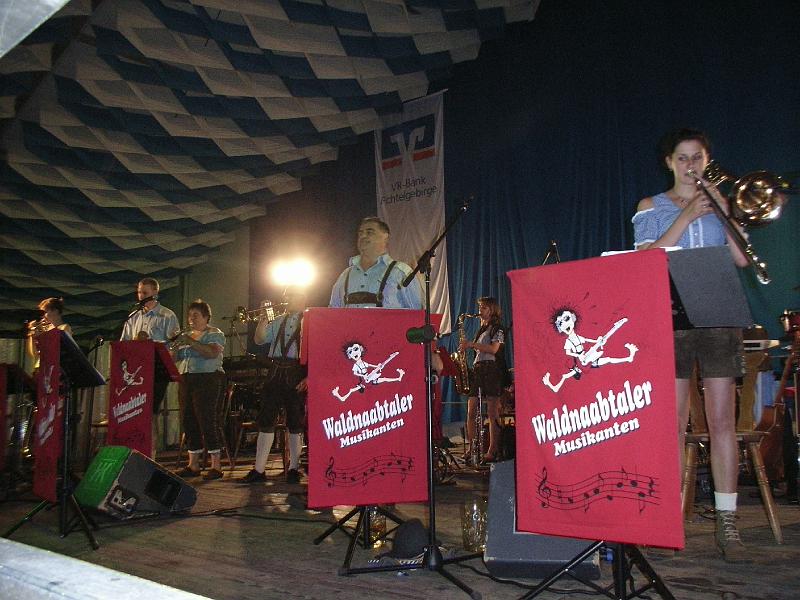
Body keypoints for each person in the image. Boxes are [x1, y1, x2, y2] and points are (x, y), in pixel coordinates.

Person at [632, 127, 749, 561]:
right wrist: (685, 218)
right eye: (682, 158)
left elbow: (741, 258)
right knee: (673, 422)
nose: (690, 165)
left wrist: (724, 211)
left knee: (721, 421)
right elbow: (644, 259)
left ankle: (727, 522)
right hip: (671, 315)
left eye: (697, 157)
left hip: (718, 310)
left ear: (707, 160)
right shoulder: (651, 206)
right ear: (669, 162)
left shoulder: (719, 203)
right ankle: (666, 519)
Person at [238, 289, 308, 485]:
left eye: (291, 296)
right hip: (276, 371)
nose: (287, 300)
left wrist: (308, 376)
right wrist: (262, 319)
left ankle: (294, 468)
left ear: (302, 297)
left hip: (295, 371)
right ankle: (259, 470)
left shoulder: (309, 320)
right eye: (286, 297)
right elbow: (259, 340)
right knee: (266, 419)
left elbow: (316, 350)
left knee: (295, 421)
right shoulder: (277, 320)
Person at [171, 299, 226, 481]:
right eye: (189, 315)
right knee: (188, 419)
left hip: (207, 378)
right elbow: (174, 359)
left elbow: (211, 352)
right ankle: (193, 464)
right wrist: (174, 347)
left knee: (207, 419)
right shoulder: (185, 336)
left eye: (196, 315)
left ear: (206, 317)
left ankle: (216, 465)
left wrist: (190, 341)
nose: (191, 319)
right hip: (186, 378)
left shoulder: (214, 333)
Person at [329, 217, 423, 310]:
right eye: (360, 233)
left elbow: (419, 314)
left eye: (369, 232)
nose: (363, 236)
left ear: (385, 237)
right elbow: (332, 314)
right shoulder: (345, 276)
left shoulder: (402, 273)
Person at [120, 277, 179, 414]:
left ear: (155, 293)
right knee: (135, 410)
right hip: (135, 371)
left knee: (151, 410)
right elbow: (124, 343)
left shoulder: (167, 316)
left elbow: (174, 345)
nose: (141, 296)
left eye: (145, 293)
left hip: (157, 370)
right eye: (139, 292)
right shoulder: (133, 317)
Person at [460, 297, 507, 463]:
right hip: (479, 370)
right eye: (480, 307)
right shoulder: (482, 329)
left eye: (484, 308)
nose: (480, 311)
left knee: (492, 413)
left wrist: (471, 345)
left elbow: (494, 349)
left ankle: (492, 450)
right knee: (471, 411)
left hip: (492, 370)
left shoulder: (498, 329)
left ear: (492, 310)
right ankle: (473, 447)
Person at [26, 297, 73, 368]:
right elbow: (34, 353)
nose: (43, 316)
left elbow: (56, 349)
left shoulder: (65, 328)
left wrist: (42, 336)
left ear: (56, 311)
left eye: (45, 312)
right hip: (41, 366)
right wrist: (32, 335)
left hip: (54, 367)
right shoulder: (44, 329)